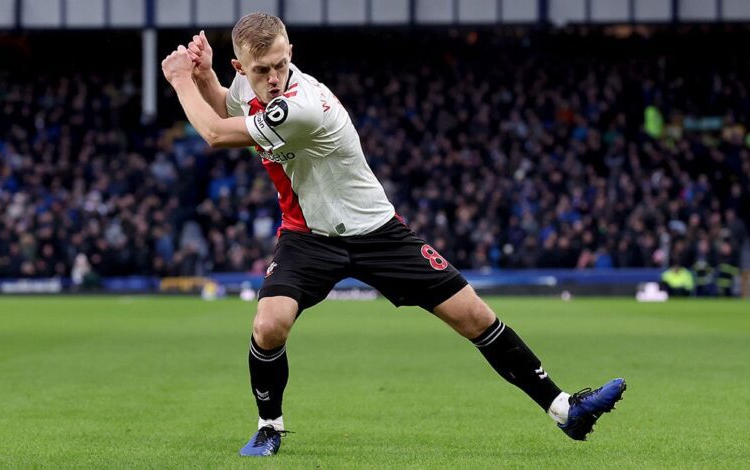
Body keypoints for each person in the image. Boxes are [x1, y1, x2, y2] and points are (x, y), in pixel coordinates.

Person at [161, 12, 626, 457]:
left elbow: (218, 134)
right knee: (268, 325)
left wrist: (181, 78)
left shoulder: (302, 106)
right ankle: (269, 428)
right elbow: (229, 105)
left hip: (376, 231)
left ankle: (565, 409)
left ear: (291, 52)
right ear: (241, 67)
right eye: (262, 69)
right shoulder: (251, 84)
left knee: (474, 317)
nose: (275, 75)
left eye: (282, 63)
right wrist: (204, 77)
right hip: (308, 236)